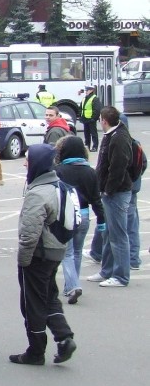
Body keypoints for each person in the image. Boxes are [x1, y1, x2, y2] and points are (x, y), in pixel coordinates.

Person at [10, 144, 77, 365]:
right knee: (49, 297)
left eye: (28, 159)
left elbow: (29, 235)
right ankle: (64, 337)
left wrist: (23, 262)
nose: (24, 163)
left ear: (37, 162)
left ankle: (36, 351)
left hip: (38, 256)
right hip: (56, 251)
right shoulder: (59, 186)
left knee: (32, 304)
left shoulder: (38, 193)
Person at [54, 136, 104, 305]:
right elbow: (96, 199)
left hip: (67, 215)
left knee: (67, 253)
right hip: (84, 215)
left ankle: (73, 285)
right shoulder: (90, 171)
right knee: (77, 251)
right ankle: (71, 286)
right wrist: (102, 221)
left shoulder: (60, 170)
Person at [88, 106, 133, 287]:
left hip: (117, 193)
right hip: (110, 192)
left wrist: (108, 189)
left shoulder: (119, 138)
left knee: (118, 236)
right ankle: (107, 271)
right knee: (107, 233)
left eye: (100, 119)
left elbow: (118, 167)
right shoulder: (112, 135)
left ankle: (121, 276)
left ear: (104, 121)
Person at [79, 86, 101, 151]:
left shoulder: (95, 98)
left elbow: (97, 110)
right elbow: (81, 108)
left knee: (93, 133)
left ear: (91, 90)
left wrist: (93, 118)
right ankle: (87, 146)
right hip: (85, 118)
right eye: (86, 90)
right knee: (86, 134)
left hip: (91, 119)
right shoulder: (84, 98)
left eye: (87, 90)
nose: (86, 92)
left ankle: (95, 147)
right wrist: (81, 116)